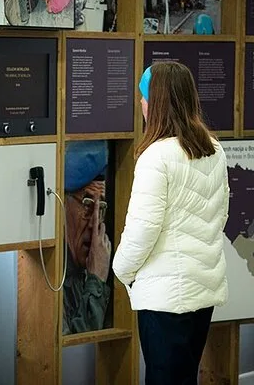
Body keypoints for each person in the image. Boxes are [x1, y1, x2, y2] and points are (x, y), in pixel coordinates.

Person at [112, 61, 230, 385]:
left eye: (144, 96)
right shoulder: (213, 149)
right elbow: (221, 214)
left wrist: (121, 270)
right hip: (203, 290)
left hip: (165, 296)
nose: (141, 103)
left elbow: (143, 229)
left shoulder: (155, 156)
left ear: (156, 103)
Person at [62, 140, 112, 335]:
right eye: (87, 205)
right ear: (62, 204)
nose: (94, 223)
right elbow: (76, 347)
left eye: (101, 208)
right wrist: (96, 282)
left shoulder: (97, 264)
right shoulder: (49, 277)